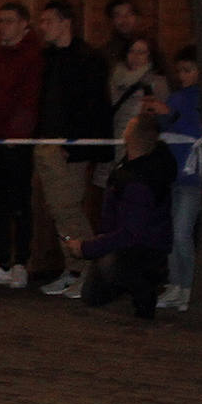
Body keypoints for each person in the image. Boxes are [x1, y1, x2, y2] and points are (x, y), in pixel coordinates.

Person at [34, 0, 113, 297]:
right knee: (57, 210)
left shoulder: (87, 59)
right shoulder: (50, 58)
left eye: (48, 21)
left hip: (69, 149)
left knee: (69, 210)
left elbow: (93, 108)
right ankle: (73, 268)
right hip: (47, 143)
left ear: (65, 22)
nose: (43, 28)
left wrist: (76, 147)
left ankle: (91, 269)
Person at [63, 113, 173, 318]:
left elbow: (131, 234)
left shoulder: (140, 179)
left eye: (129, 127)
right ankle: (132, 282)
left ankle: (144, 292)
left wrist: (88, 248)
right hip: (133, 242)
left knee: (112, 266)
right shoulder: (132, 165)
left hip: (144, 247)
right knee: (93, 293)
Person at [0, 2, 43, 288]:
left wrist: (18, 134)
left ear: (24, 24)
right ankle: (2, 261)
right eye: (0, 21)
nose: (3, 26)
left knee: (19, 204)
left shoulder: (33, 56)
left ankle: (21, 263)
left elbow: (30, 98)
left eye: (9, 21)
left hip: (16, 143)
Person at [148, 45, 202, 311]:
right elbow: (167, 126)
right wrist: (161, 115)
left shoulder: (199, 99)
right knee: (172, 233)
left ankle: (189, 286)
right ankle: (175, 285)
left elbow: (193, 128)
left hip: (192, 177)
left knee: (182, 233)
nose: (183, 75)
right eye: (180, 70)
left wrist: (168, 114)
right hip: (173, 175)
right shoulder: (178, 97)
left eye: (188, 70)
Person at [97, 36, 168, 189]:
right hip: (112, 143)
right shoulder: (114, 79)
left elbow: (163, 117)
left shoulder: (157, 83)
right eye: (132, 51)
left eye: (141, 52)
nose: (135, 56)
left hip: (138, 146)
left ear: (150, 55)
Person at [102, 0, 146, 67]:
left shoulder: (151, 49)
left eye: (129, 14)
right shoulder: (105, 54)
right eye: (118, 15)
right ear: (111, 20)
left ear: (137, 18)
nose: (124, 20)